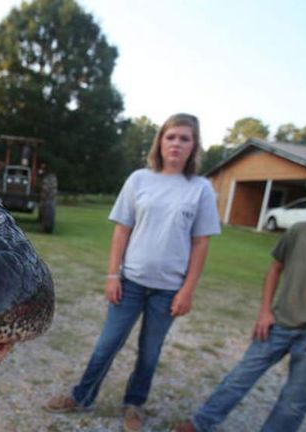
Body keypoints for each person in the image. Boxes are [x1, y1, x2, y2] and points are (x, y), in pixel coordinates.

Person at [175, 165, 306, 432]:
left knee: (294, 401)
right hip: (277, 324)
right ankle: (200, 424)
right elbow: (275, 268)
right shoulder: (299, 231)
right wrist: (265, 312)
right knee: (239, 378)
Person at [43, 113, 221, 432]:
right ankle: (82, 396)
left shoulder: (201, 189)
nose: (177, 144)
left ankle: (134, 404)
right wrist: (113, 275)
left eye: (185, 138)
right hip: (130, 283)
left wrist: (188, 290)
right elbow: (122, 231)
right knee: (107, 344)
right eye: (171, 137)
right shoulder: (139, 179)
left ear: (194, 146)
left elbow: (201, 243)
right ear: (160, 141)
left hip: (168, 290)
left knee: (149, 353)